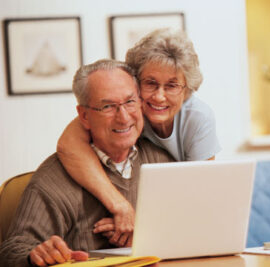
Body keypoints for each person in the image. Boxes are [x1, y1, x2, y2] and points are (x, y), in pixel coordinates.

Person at [0, 59, 174, 267]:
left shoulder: (163, 161)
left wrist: (145, 231)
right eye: (108, 106)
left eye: (130, 102)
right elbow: (12, 251)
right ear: (84, 116)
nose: (124, 117)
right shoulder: (52, 180)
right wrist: (35, 255)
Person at [57, 29, 221, 242]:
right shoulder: (127, 111)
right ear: (135, 84)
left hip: (178, 225)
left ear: (187, 90)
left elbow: (200, 199)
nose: (159, 97)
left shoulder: (198, 118)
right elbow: (69, 145)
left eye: (172, 85)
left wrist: (141, 223)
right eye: (150, 83)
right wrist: (122, 207)